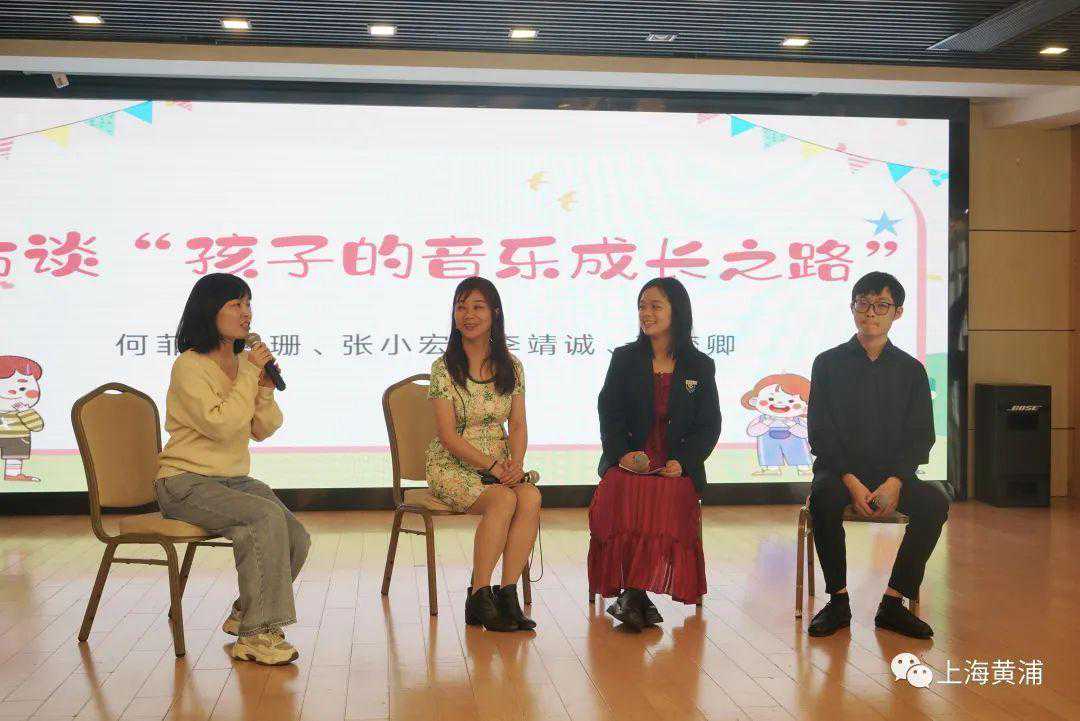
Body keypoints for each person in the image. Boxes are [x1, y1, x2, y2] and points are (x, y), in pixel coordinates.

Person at [155, 273, 310, 665]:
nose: (246, 313)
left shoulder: (244, 364)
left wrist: (264, 387)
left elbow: (262, 428)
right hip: (184, 482)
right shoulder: (189, 366)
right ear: (210, 311)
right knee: (263, 517)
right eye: (235, 304)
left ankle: (246, 613)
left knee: (296, 537)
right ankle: (255, 635)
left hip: (231, 480)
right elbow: (221, 425)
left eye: (248, 303)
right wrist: (249, 375)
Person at [806, 271, 949, 639]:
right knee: (823, 498)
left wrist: (896, 481)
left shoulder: (911, 370)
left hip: (893, 475)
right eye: (864, 303)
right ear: (852, 307)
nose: (871, 312)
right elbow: (820, 431)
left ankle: (893, 603)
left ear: (897, 312)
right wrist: (850, 480)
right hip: (840, 473)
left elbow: (921, 435)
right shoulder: (827, 363)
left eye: (882, 305)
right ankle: (838, 601)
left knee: (935, 502)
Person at [589, 277, 720, 631]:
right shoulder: (625, 359)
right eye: (642, 306)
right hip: (630, 463)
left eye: (655, 306)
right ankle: (636, 595)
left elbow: (709, 424)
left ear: (677, 311)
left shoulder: (699, 365)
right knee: (623, 488)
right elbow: (609, 412)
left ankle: (633, 597)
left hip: (674, 466)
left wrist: (685, 462)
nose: (646, 313)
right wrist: (622, 456)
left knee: (668, 494)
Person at [426, 276, 541, 632]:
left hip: (501, 464)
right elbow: (447, 436)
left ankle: (507, 595)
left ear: (495, 313)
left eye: (477, 307)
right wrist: (493, 466)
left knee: (530, 496)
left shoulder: (512, 366)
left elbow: (517, 424)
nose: (468, 315)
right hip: (452, 464)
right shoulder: (443, 368)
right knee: (503, 500)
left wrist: (515, 465)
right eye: (461, 307)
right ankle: (478, 596)